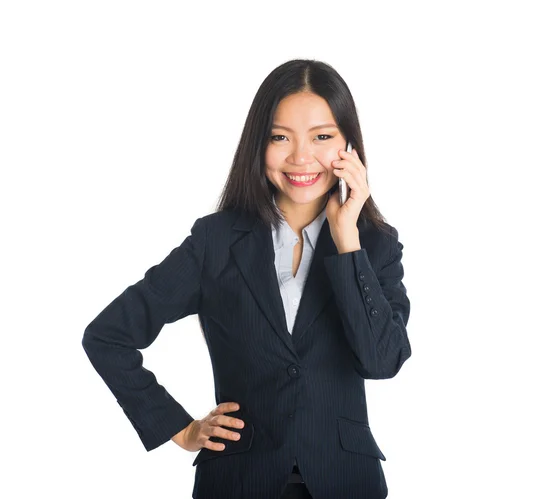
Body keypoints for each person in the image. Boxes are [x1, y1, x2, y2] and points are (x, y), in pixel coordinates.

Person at [82, 58, 411, 499]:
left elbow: (382, 361)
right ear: (258, 144)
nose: (300, 157)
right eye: (280, 137)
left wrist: (347, 239)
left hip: (346, 482)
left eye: (322, 137)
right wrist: (180, 428)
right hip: (237, 482)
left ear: (349, 146)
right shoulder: (214, 242)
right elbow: (107, 336)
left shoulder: (375, 245)